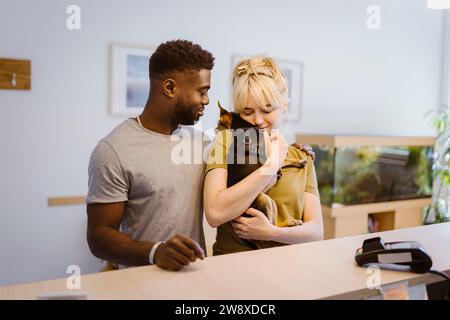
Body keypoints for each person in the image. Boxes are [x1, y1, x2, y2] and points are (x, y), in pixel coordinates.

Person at [86, 39, 214, 271]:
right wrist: (156, 252)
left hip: (195, 278)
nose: (206, 100)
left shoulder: (202, 141)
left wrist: (289, 156)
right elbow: (99, 237)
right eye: (202, 92)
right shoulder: (113, 150)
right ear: (170, 88)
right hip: (141, 284)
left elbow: (241, 170)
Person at [203, 56, 324, 255]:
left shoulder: (301, 156)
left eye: (267, 109)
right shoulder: (226, 141)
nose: (258, 120)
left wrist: (272, 233)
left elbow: (317, 232)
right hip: (232, 268)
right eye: (247, 111)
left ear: (284, 106)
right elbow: (215, 213)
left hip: (288, 267)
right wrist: (273, 163)